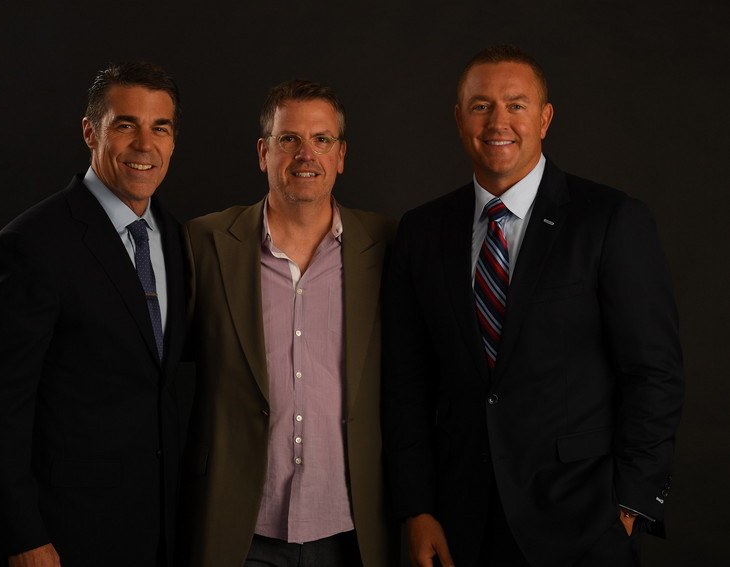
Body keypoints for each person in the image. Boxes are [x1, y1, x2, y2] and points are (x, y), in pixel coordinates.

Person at [382, 44, 684, 567]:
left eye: (516, 104)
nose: (498, 121)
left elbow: (653, 371)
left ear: (544, 118)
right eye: (481, 106)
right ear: (459, 119)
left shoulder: (609, 220)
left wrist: (633, 501)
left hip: (585, 517)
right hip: (461, 520)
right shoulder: (422, 231)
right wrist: (417, 508)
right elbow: (407, 382)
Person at [0, 61, 188, 567]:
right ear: (91, 132)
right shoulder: (30, 246)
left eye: (161, 127)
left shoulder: (175, 238)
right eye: (126, 124)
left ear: (173, 141)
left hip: (157, 532)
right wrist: (20, 537)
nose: (144, 144)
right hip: (61, 537)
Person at [179, 79, 397, 567]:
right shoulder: (205, 242)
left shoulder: (387, 246)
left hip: (351, 525)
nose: (306, 154)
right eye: (289, 139)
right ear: (263, 152)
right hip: (240, 525)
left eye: (322, 140)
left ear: (341, 155)